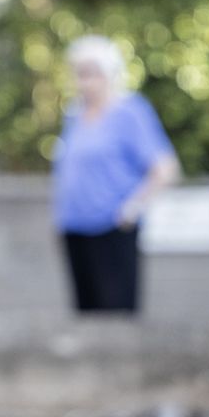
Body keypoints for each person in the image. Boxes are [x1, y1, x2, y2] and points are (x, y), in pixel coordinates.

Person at [52, 34, 179, 312]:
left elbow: (165, 168)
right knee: (87, 314)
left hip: (112, 228)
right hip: (75, 228)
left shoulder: (130, 112)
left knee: (115, 313)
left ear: (110, 74)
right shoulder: (74, 115)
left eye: (92, 73)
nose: (85, 81)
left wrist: (132, 208)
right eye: (80, 74)